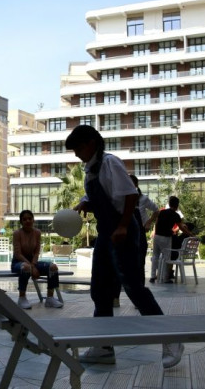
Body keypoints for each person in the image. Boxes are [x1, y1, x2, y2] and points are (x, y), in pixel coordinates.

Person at [65, 125, 183, 368]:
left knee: (133, 288)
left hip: (123, 232)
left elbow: (129, 195)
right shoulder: (91, 170)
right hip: (106, 234)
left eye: (78, 148)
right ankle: (104, 345)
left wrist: (122, 227)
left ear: (91, 144)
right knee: (99, 289)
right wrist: (84, 204)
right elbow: (102, 195)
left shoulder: (110, 163)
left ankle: (171, 339)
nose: (76, 153)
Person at [113, 175, 159, 307]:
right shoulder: (120, 199)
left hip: (139, 235)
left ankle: (139, 299)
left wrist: (149, 222)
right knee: (118, 265)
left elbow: (156, 210)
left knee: (139, 265)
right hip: (123, 234)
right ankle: (115, 297)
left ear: (136, 185)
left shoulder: (143, 199)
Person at [12, 210, 64, 309]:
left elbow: (36, 252)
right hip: (18, 262)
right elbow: (18, 254)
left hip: (33, 262)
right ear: (21, 222)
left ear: (33, 220)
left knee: (53, 267)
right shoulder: (17, 233)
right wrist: (31, 267)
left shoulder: (37, 232)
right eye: (24, 219)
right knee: (25, 267)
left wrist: (33, 265)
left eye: (29, 218)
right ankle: (22, 298)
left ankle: (50, 298)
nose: (27, 221)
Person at [150, 196, 192, 283]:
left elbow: (157, 223)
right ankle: (165, 278)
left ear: (169, 204)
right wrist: (191, 234)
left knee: (155, 256)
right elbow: (182, 228)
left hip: (157, 236)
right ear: (177, 206)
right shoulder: (176, 215)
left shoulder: (161, 212)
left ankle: (153, 276)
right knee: (167, 257)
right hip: (166, 237)